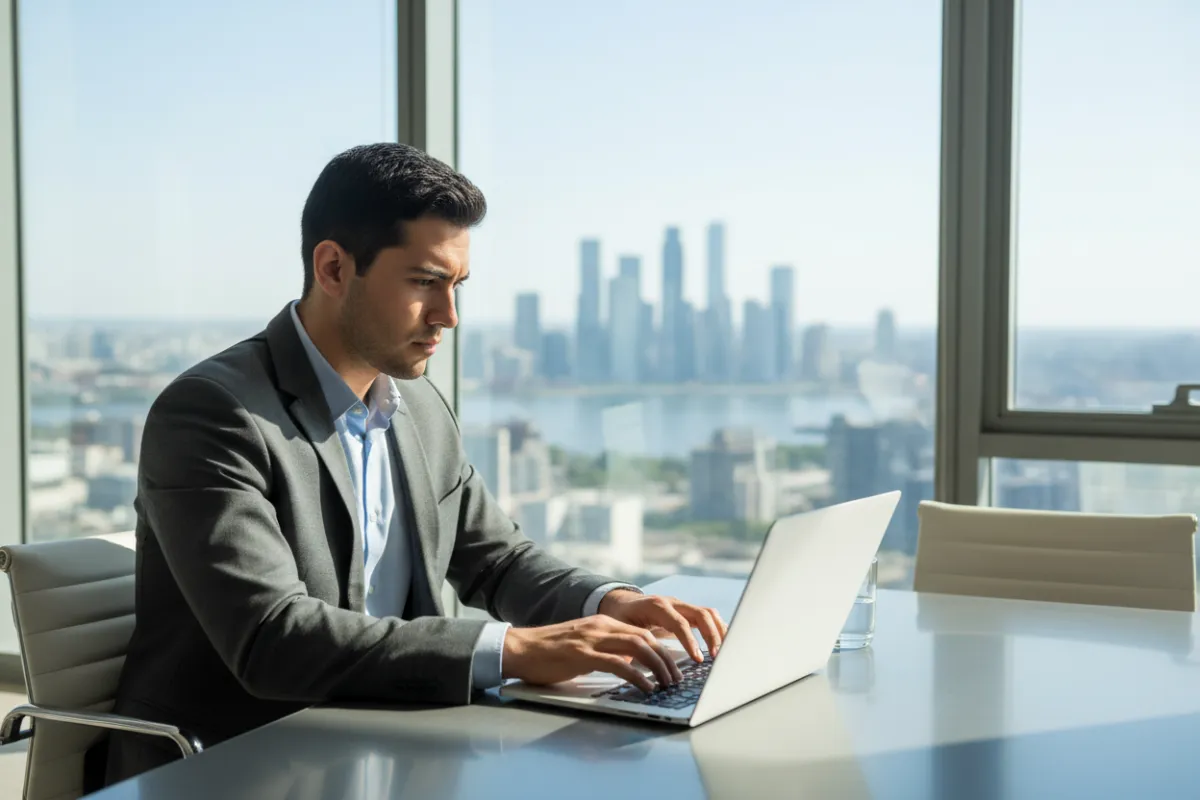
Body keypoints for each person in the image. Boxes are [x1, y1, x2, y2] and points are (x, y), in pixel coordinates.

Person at [103, 143, 726, 786]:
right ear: (334, 268)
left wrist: (611, 601)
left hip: (392, 746)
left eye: (456, 286)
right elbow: (272, 638)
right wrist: (512, 651)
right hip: (238, 765)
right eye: (425, 282)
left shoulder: (418, 404)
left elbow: (496, 558)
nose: (448, 316)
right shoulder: (213, 413)